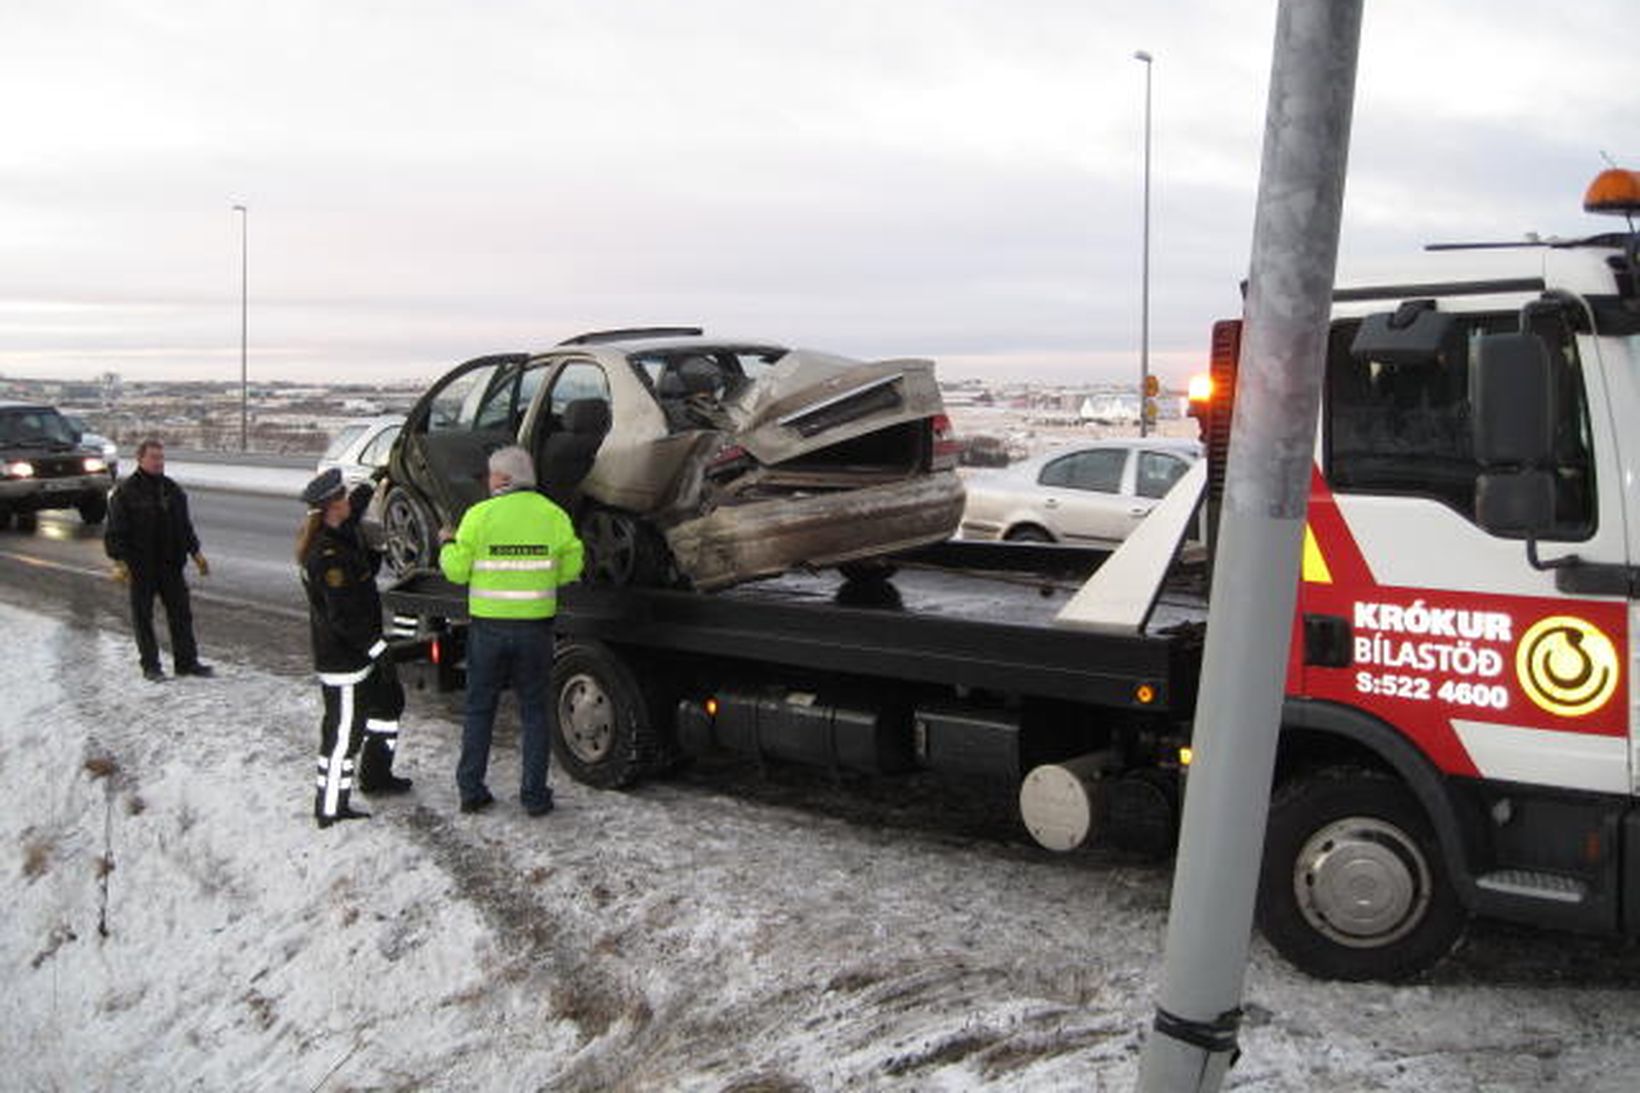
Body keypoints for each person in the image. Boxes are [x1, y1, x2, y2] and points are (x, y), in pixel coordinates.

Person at [439, 445, 582, 816]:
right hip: (535, 630)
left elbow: (457, 571)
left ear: (503, 478)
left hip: (488, 630)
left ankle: (471, 790)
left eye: (491, 475)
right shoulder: (553, 515)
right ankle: (534, 796)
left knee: (479, 709)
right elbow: (571, 568)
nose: (488, 481)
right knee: (535, 712)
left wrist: (447, 544)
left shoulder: (479, 515)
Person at [297, 467, 413, 830]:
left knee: (388, 704)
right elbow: (342, 617)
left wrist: (377, 481)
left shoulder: (340, 535)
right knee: (342, 736)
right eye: (342, 498)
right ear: (331, 507)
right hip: (345, 660)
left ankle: (377, 775)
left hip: (360, 654)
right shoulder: (326, 556)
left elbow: (359, 509)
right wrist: (377, 648)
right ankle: (331, 808)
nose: (348, 501)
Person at [104, 438, 213, 682]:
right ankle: (151, 666)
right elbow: (115, 531)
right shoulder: (126, 493)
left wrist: (195, 553)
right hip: (141, 567)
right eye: (153, 457)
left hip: (170, 565)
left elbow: (184, 527)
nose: (158, 462)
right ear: (140, 459)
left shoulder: (172, 490)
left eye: (161, 457)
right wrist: (119, 561)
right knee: (144, 618)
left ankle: (187, 662)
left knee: (181, 614)